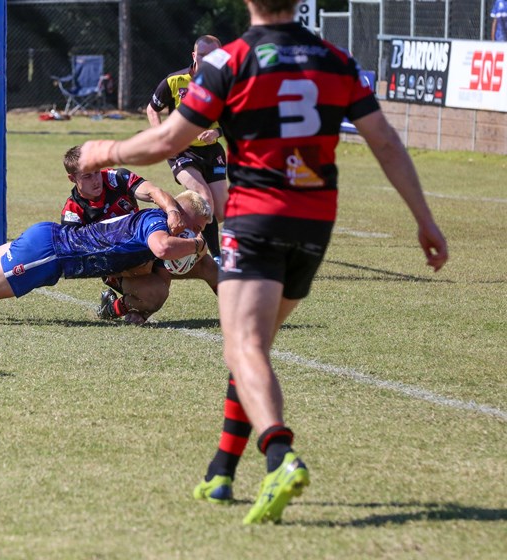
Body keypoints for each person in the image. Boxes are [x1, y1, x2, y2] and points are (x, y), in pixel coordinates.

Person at [79, 0, 448, 524]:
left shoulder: (229, 62)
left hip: (258, 221)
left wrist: (104, 151)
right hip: (315, 223)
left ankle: (279, 454)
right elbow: (385, 141)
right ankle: (222, 471)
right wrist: (424, 219)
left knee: (246, 346)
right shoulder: (334, 59)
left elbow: (165, 139)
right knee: (251, 348)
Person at [0, 190, 212, 318]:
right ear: (181, 213)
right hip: (52, 254)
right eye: (196, 226)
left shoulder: (153, 219)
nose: (195, 234)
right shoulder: (156, 223)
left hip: (48, 239)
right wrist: (196, 246)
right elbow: (163, 247)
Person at [60, 145, 218, 324]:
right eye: (87, 176)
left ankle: (237, 311)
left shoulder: (116, 178)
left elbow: (153, 192)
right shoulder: (72, 211)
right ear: (72, 178)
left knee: (207, 264)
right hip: (121, 267)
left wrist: (173, 211)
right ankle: (115, 307)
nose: (96, 180)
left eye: (97, 171)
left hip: (150, 247)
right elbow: (74, 254)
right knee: (155, 294)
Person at [147, 35, 228, 262]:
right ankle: (216, 257)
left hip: (212, 152)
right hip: (181, 151)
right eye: (203, 56)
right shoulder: (175, 80)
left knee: (218, 211)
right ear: (194, 56)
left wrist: (217, 132)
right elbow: (153, 109)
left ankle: (174, 218)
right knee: (205, 198)